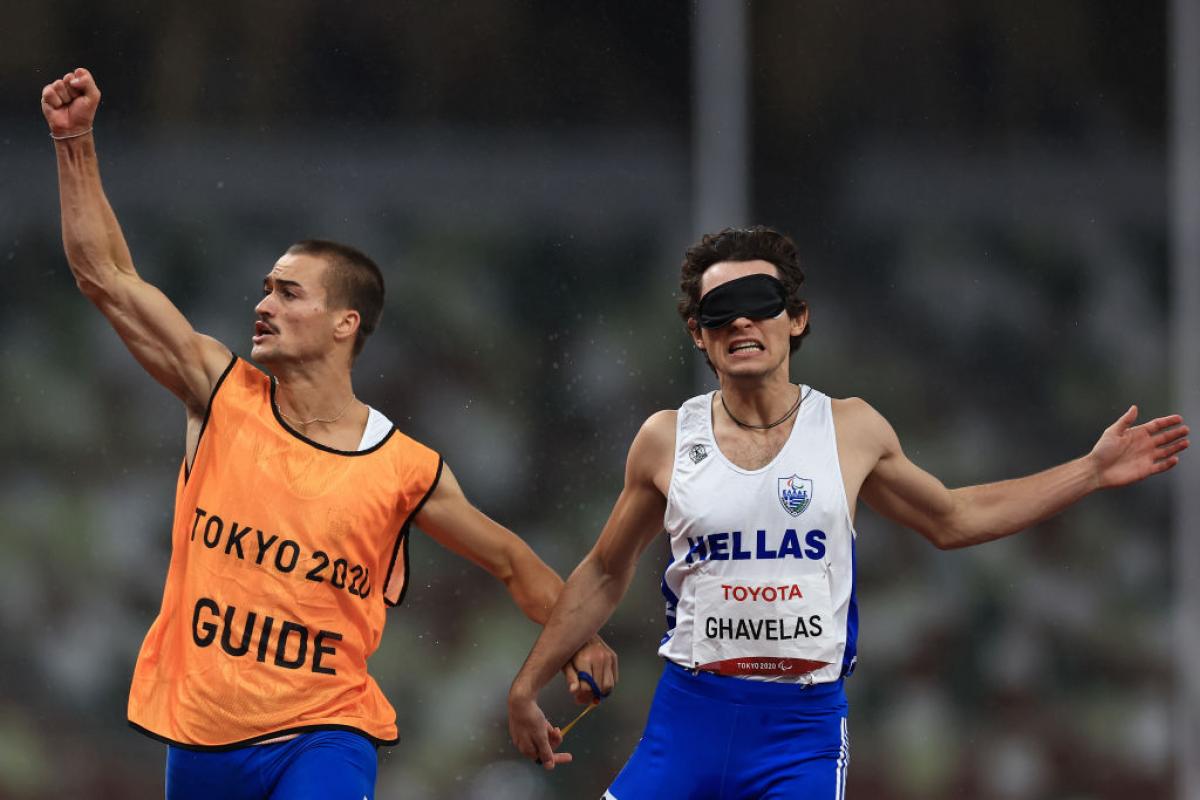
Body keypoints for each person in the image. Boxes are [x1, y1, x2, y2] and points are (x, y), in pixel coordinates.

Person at [41, 67, 616, 800]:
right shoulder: (219, 393)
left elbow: (509, 559)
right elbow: (106, 276)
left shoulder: (405, 468)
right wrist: (74, 142)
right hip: (202, 738)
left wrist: (577, 639)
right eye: (263, 289)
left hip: (325, 735)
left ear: (346, 323)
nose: (263, 305)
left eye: (287, 292)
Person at [506, 225, 1189, 799]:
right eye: (720, 310)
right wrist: (527, 687)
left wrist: (1091, 470)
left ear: (796, 318)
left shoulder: (850, 429)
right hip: (690, 716)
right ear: (698, 334)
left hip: (798, 732)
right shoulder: (665, 439)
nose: (741, 319)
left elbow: (951, 518)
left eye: (760, 301)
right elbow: (603, 571)